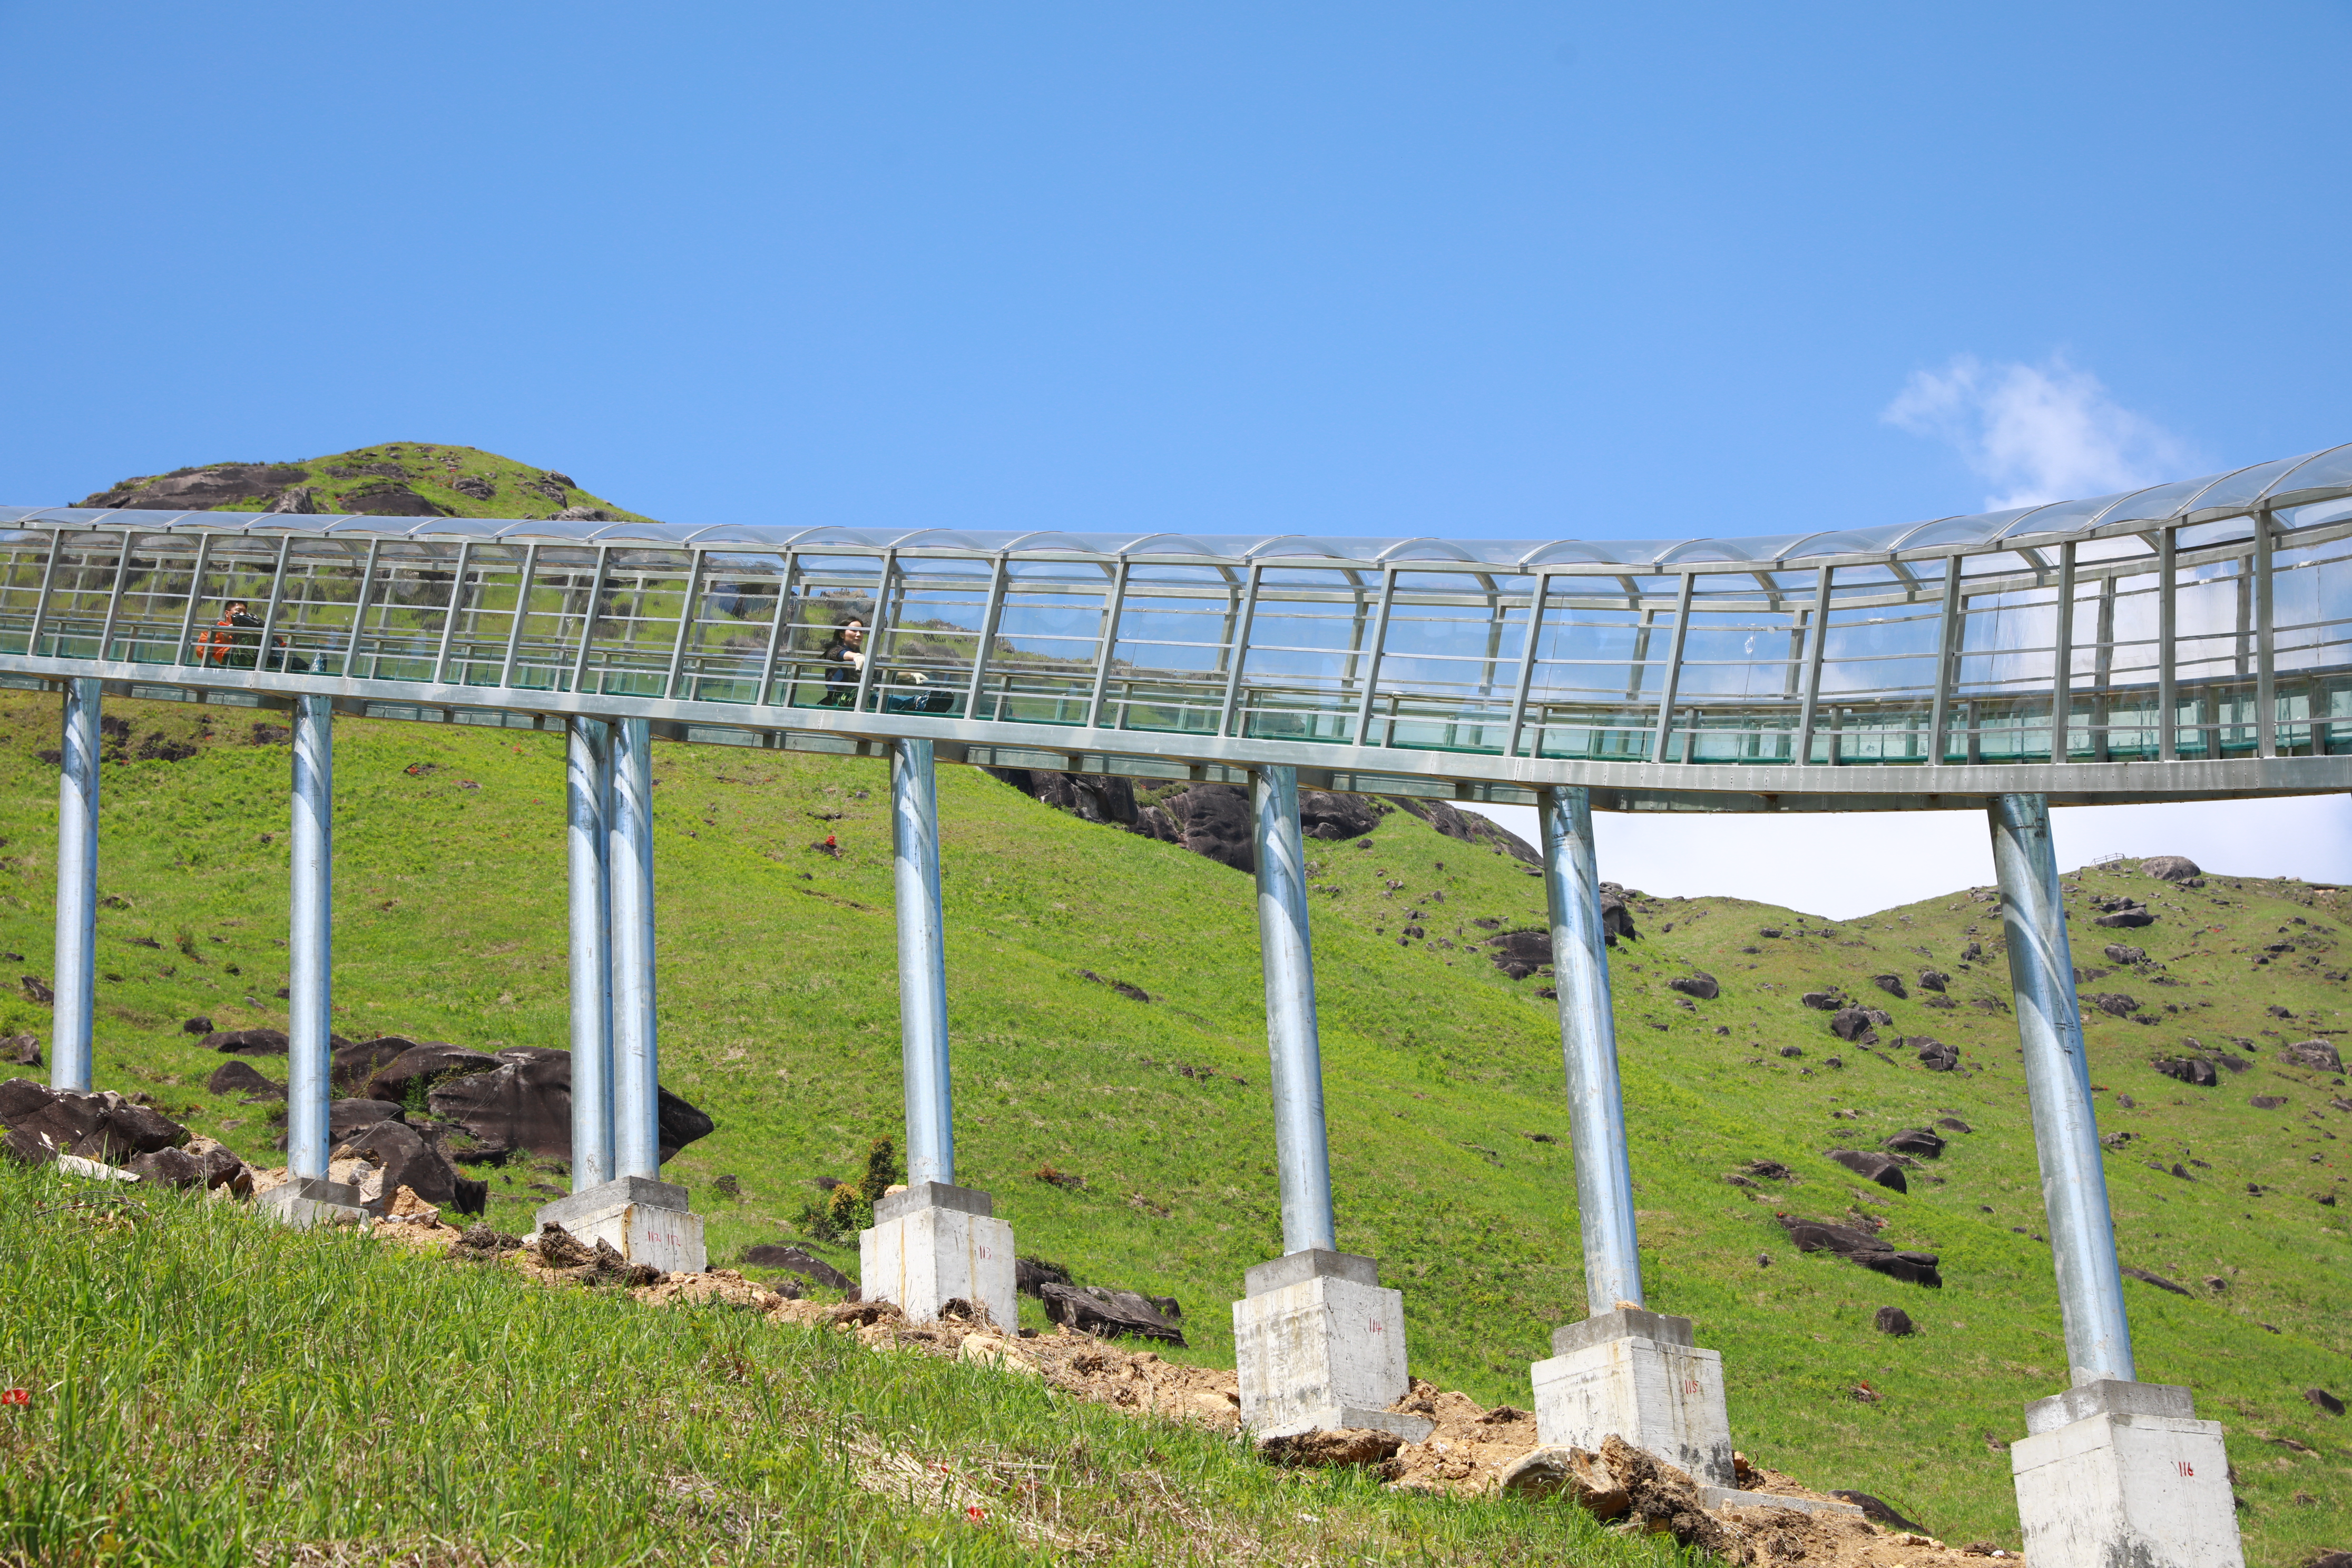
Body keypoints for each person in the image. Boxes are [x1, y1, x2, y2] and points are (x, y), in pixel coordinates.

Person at [194, 600, 307, 672]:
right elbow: (201, 652)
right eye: (238, 611)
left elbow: (279, 643)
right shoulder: (216, 630)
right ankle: (295, 669)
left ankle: (305, 669)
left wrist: (261, 626)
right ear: (227, 613)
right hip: (230, 659)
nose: (242, 614)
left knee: (276, 646)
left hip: (257, 658)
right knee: (260, 637)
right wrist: (225, 634)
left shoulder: (250, 626)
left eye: (245, 612)